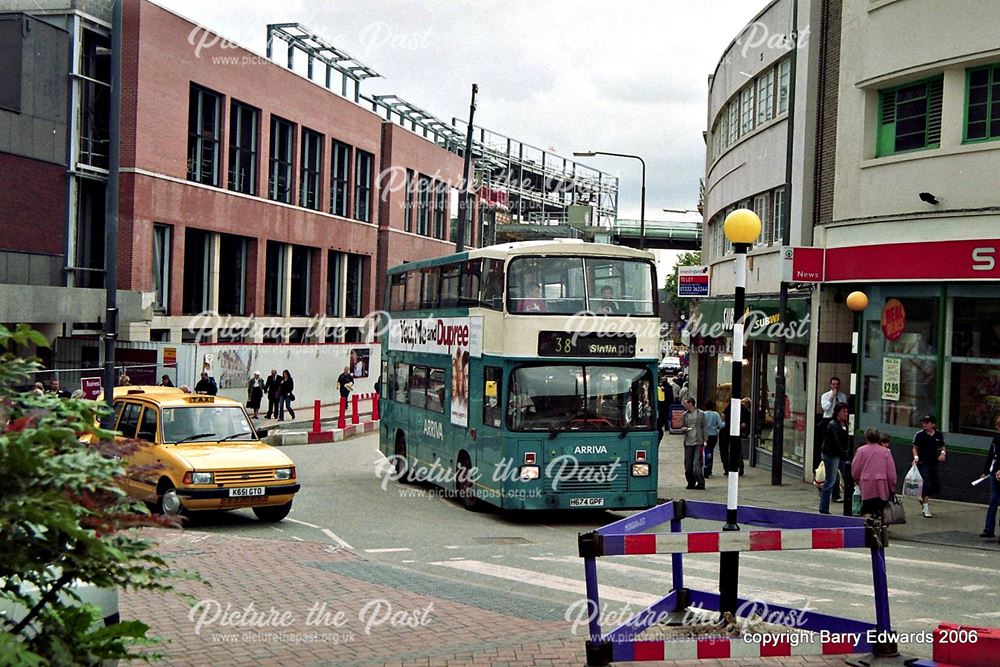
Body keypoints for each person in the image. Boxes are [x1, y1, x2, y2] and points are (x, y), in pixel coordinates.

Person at [852, 426, 898, 519]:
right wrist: (892, 486)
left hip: (866, 485)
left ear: (866, 437)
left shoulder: (861, 451)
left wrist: (857, 480)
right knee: (881, 509)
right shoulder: (885, 452)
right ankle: (881, 528)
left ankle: (867, 527)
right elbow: (891, 472)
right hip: (881, 486)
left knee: (867, 509)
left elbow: (855, 469)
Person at [819, 402, 851, 514]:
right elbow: (837, 442)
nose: (846, 414)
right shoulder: (833, 425)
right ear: (838, 412)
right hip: (831, 454)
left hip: (840, 455)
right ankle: (823, 508)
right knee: (830, 480)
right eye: (843, 411)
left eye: (847, 411)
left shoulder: (846, 425)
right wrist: (845, 453)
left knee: (848, 479)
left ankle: (849, 505)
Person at [912, 414, 945, 518]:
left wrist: (943, 453)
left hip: (934, 463)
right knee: (926, 483)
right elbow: (914, 447)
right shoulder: (920, 435)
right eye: (924, 422)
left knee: (935, 484)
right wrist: (916, 457)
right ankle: (926, 507)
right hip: (923, 463)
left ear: (933, 424)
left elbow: (942, 446)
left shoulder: (938, 435)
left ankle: (923, 498)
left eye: (927, 423)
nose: (924, 424)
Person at [978, 415, 1000, 539]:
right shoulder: (996, 439)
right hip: (995, 471)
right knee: (993, 500)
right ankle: (989, 528)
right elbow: (991, 455)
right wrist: (986, 471)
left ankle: (990, 528)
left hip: (997, 470)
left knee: (994, 500)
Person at [681, 397, 706, 490]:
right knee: (688, 465)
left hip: (698, 442)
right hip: (688, 442)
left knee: (696, 464)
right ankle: (691, 482)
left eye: (685, 403)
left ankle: (700, 482)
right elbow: (682, 425)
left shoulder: (701, 414)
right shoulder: (685, 415)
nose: (684, 405)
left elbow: (704, 427)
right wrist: (684, 429)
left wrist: (705, 440)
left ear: (691, 404)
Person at [703, 400, 722, 478]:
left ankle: (705, 469)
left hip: (705, 435)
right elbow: (721, 425)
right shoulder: (716, 414)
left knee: (705, 452)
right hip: (713, 435)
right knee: (711, 452)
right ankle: (709, 469)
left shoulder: (703, 414)